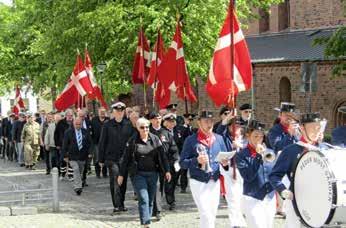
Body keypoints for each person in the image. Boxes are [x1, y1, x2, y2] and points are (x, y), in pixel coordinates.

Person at [269, 112, 323, 228]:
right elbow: (274, 175)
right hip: (296, 199)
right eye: (313, 127)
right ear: (302, 128)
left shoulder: (323, 150)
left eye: (318, 127)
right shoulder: (291, 150)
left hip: (319, 201)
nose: (317, 131)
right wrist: (282, 190)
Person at [118, 118, 171, 228]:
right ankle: (145, 223)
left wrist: (167, 171)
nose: (145, 129)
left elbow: (162, 156)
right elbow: (126, 159)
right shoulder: (132, 141)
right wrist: (121, 175)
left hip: (153, 173)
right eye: (142, 127)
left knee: (151, 199)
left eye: (147, 127)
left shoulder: (155, 139)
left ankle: (147, 218)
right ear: (137, 128)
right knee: (143, 198)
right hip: (138, 174)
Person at [179, 111, 229, 228]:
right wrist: (196, 161)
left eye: (211, 121)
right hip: (198, 181)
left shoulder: (219, 139)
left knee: (211, 213)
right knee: (206, 213)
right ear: (199, 122)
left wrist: (225, 163)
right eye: (206, 121)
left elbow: (225, 160)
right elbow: (182, 163)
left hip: (215, 181)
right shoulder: (191, 140)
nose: (209, 124)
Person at [236, 120, 276, 228]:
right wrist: (258, 157)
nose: (259, 139)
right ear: (248, 136)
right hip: (252, 198)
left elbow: (274, 174)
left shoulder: (269, 151)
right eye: (255, 136)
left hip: (269, 197)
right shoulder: (241, 155)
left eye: (261, 136)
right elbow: (248, 176)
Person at [99, 102, 134, 213]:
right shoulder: (107, 125)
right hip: (111, 158)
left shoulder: (128, 124)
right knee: (115, 180)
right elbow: (102, 142)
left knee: (122, 181)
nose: (119, 113)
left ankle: (121, 204)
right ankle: (116, 205)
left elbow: (132, 142)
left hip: (124, 159)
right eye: (117, 111)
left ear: (123, 112)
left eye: (121, 111)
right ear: (113, 112)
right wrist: (101, 159)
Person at [216, 115, 247, 227]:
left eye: (239, 126)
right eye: (234, 126)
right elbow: (219, 131)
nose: (237, 128)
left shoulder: (246, 139)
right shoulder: (225, 137)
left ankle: (241, 221)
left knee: (242, 198)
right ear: (229, 127)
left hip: (243, 171)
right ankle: (235, 223)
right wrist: (226, 119)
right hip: (229, 169)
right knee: (232, 197)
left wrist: (241, 147)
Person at [62, 118, 92, 195]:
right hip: (72, 156)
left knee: (80, 171)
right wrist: (65, 155)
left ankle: (79, 182)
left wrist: (90, 152)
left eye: (79, 124)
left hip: (83, 156)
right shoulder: (68, 132)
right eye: (76, 124)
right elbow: (65, 145)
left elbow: (89, 143)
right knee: (75, 169)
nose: (78, 126)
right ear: (73, 124)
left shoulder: (85, 132)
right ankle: (78, 187)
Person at [160, 113, 180, 210]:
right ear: (165, 123)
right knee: (169, 182)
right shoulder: (163, 133)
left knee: (175, 181)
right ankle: (170, 201)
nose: (172, 123)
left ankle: (172, 197)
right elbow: (165, 149)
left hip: (177, 161)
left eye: (173, 121)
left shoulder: (177, 131)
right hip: (169, 161)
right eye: (170, 122)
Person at [147, 111, 165, 220]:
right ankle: (155, 209)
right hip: (151, 164)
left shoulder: (165, 132)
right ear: (150, 120)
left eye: (159, 118)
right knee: (155, 186)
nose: (157, 120)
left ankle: (157, 208)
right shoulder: (147, 131)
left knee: (160, 186)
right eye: (155, 118)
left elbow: (172, 147)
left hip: (163, 163)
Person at [175, 113, 197, 193]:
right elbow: (180, 139)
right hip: (182, 151)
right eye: (189, 119)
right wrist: (186, 126)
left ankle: (184, 186)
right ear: (185, 119)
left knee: (186, 170)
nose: (190, 121)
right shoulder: (180, 128)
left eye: (191, 120)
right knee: (181, 170)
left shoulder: (191, 128)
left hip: (190, 152)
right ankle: (179, 185)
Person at [54, 109, 74, 180]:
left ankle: (70, 175)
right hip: (62, 144)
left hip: (72, 145)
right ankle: (62, 174)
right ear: (66, 115)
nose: (70, 117)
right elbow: (56, 134)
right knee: (63, 160)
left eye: (71, 115)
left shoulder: (74, 122)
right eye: (69, 115)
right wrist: (57, 144)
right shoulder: (61, 123)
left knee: (71, 160)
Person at [91, 107, 109, 178]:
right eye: (101, 112)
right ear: (98, 113)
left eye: (103, 112)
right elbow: (91, 131)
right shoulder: (94, 120)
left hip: (106, 143)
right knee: (97, 158)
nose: (102, 113)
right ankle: (98, 173)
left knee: (105, 157)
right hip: (96, 143)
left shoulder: (108, 120)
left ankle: (104, 173)